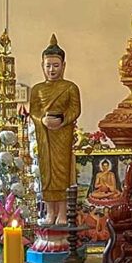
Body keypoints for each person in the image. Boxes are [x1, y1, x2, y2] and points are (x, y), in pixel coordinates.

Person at [29, 34, 81, 224]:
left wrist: (63, 120)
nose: (52, 70)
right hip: (45, 135)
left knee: (62, 171)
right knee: (47, 172)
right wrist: (42, 120)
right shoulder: (37, 89)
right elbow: (33, 111)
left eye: (56, 65)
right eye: (48, 65)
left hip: (62, 133)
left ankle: (63, 212)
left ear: (64, 66)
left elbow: (76, 110)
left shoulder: (70, 88)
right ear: (42, 65)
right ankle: (50, 211)